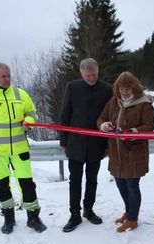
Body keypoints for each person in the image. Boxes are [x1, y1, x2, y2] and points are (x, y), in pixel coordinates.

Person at [0, 63, 47, 234]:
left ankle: (33, 218)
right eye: (3, 76)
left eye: (9, 76)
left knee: (27, 185)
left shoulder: (21, 94)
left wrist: (30, 122)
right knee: (3, 186)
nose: (7, 79)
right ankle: (8, 219)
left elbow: (33, 113)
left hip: (20, 150)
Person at [60, 58, 113, 232]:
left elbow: (109, 116)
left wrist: (107, 144)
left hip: (97, 143)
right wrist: (64, 141)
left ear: (98, 72)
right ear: (81, 73)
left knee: (92, 179)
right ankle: (74, 215)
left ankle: (88, 210)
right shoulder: (72, 87)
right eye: (88, 75)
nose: (91, 78)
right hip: (75, 144)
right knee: (74, 180)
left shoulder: (106, 89)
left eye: (94, 75)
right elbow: (65, 114)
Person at [97, 71, 154, 232]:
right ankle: (129, 212)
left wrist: (133, 132)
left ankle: (133, 219)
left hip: (134, 154)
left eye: (127, 89)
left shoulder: (144, 103)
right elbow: (100, 118)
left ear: (134, 87)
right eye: (121, 88)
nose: (123, 92)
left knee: (132, 186)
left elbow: (149, 127)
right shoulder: (114, 102)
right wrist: (104, 125)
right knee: (120, 184)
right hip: (116, 153)